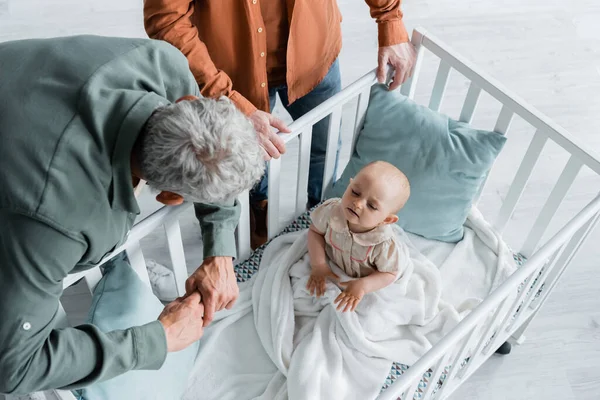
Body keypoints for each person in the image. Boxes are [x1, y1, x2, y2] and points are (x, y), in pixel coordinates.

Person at [0, 35, 264, 395]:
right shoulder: (59, 220)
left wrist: (219, 250)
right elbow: (15, 366)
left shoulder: (162, 64)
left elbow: (207, 147)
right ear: (171, 197)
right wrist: (156, 339)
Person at [144, 0, 418, 249]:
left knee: (324, 144)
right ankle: (258, 209)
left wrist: (390, 18)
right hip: (230, 72)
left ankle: (325, 212)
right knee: (249, 160)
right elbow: (167, 19)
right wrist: (225, 95)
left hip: (314, 54)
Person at [306, 161, 411, 312]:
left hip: (366, 278)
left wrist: (363, 286)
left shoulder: (382, 244)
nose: (358, 203)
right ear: (349, 185)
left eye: (372, 206)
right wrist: (319, 265)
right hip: (336, 265)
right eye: (355, 192)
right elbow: (315, 232)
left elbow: (389, 273)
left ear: (386, 220)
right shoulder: (331, 212)